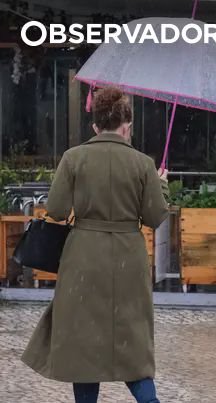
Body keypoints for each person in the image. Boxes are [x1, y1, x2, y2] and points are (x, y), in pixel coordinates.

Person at [21, 87, 169, 403]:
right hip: (129, 259)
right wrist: (162, 185)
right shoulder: (143, 164)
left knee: (85, 349)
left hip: (83, 258)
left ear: (95, 126)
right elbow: (155, 216)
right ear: (127, 125)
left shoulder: (73, 158)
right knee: (133, 344)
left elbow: (57, 211)